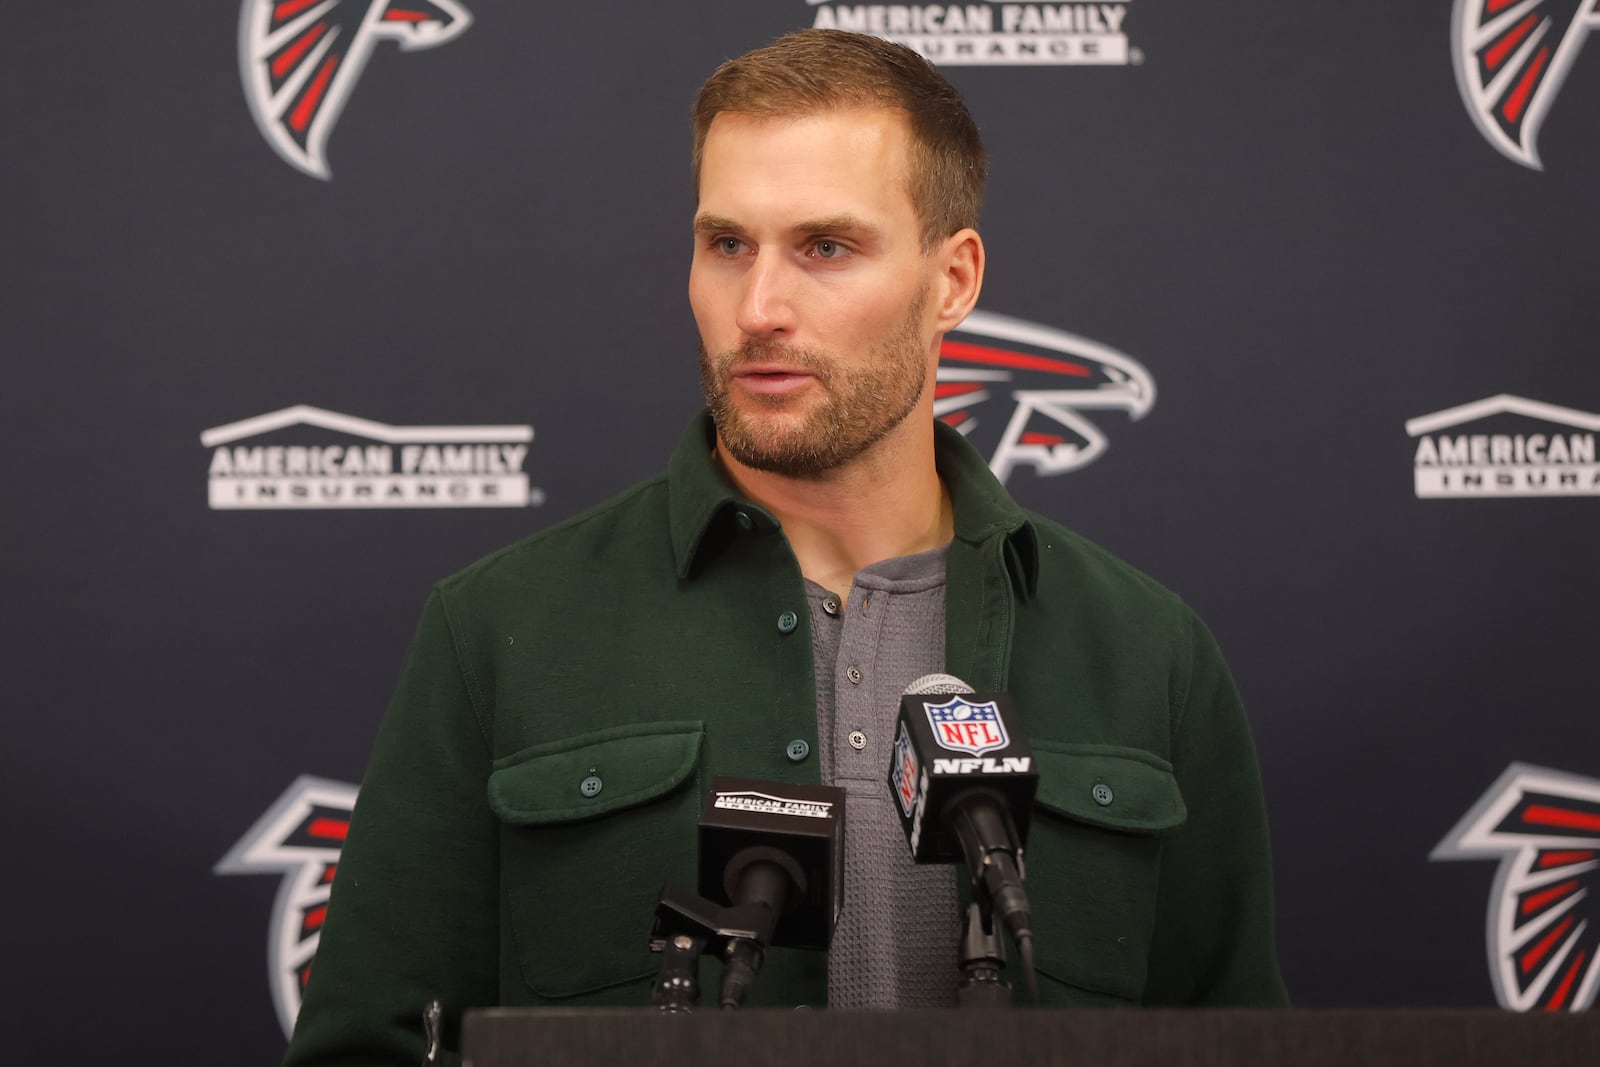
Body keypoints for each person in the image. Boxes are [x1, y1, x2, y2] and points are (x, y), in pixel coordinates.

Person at [283, 27, 1287, 1066]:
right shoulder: (499, 629)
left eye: (825, 248)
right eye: (727, 244)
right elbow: (368, 1043)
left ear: (953, 279)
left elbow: (1241, 1039)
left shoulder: (1145, 653)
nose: (758, 309)